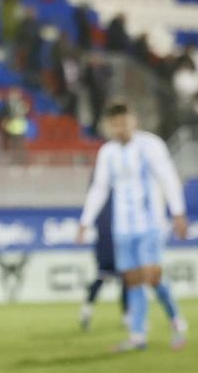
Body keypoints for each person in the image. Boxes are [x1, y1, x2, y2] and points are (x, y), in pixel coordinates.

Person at [78, 101, 190, 353]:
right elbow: (99, 188)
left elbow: (168, 178)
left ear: (133, 121)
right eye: (114, 123)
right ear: (108, 126)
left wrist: (178, 213)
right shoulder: (107, 152)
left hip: (150, 223)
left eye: (123, 121)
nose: (119, 127)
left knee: (151, 276)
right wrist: (85, 221)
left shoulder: (150, 145)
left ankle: (177, 321)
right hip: (123, 226)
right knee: (132, 280)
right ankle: (138, 335)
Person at [78, 196, 123, 331]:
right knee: (123, 280)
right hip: (111, 247)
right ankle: (128, 316)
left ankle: (86, 310)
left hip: (106, 246)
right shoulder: (114, 201)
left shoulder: (101, 202)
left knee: (106, 278)